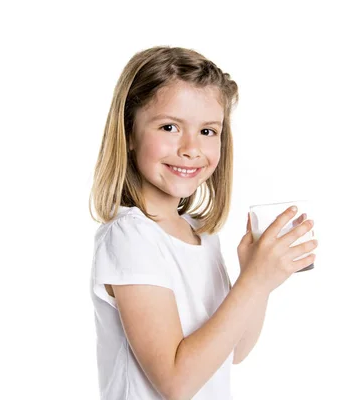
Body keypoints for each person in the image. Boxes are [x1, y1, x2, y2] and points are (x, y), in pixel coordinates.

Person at [88, 45, 317, 400]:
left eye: (208, 131)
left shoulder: (199, 234)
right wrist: (253, 283)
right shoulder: (130, 237)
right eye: (169, 127)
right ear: (129, 133)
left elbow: (234, 351)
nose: (191, 148)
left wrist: (256, 277)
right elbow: (176, 383)